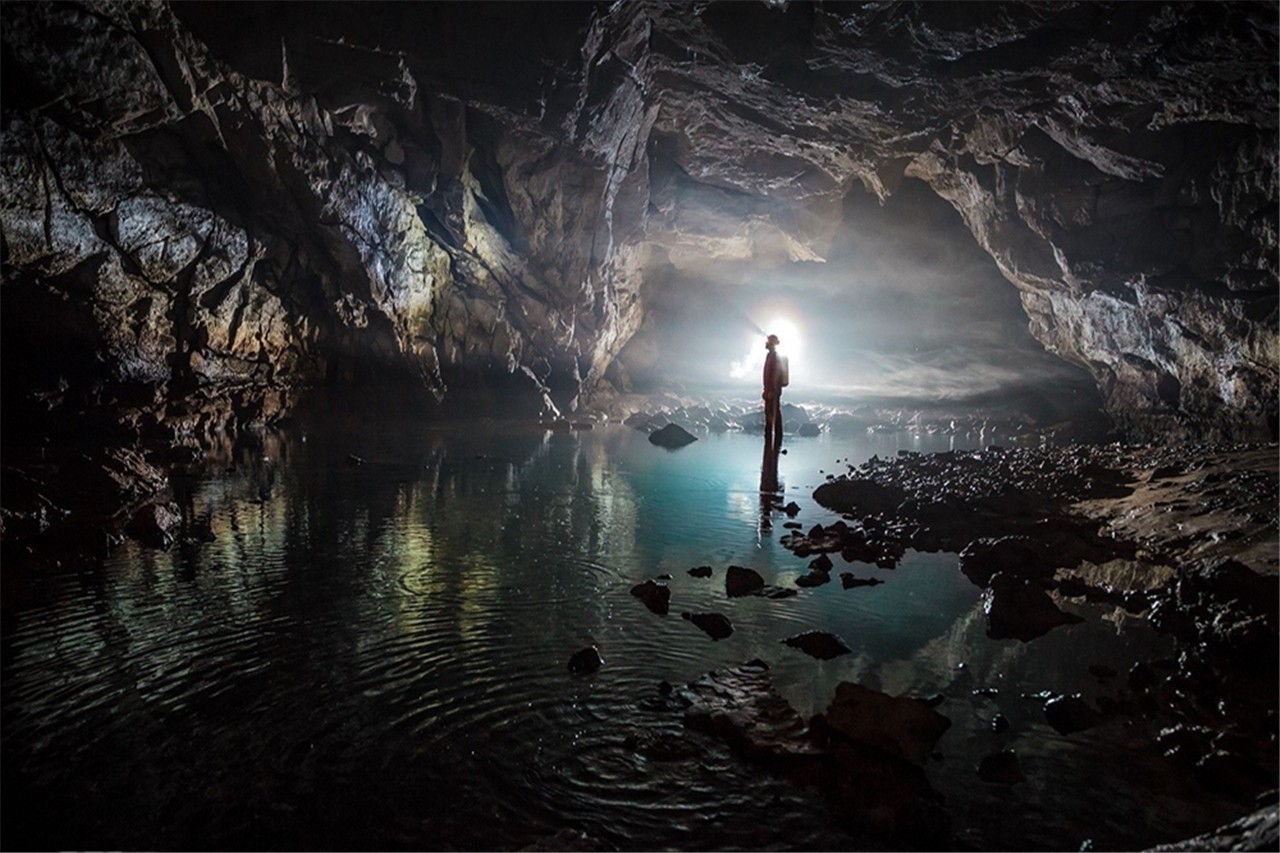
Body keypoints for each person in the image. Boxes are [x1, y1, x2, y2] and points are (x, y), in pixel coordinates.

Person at [762, 333, 784, 446]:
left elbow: (775, 375)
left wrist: (772, 391)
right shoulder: (769, 356)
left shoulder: (774, 357)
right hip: (769, 391)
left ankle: (776, 442)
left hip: (772, 391)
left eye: (769, 342)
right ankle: (771, 441)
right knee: (770, 414)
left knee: (773, 413)